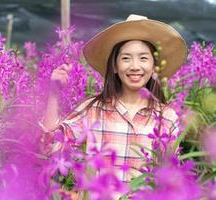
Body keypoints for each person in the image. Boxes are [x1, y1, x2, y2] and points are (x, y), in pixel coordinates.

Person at [40, 14, 187, 182]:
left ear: (154, 67)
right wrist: (53, 93)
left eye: (143, 58)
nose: (135, 66)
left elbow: (171, 176)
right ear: (115, 66)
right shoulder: (92, 110)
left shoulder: (166, 117)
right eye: (126, 58)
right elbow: (50, 147)